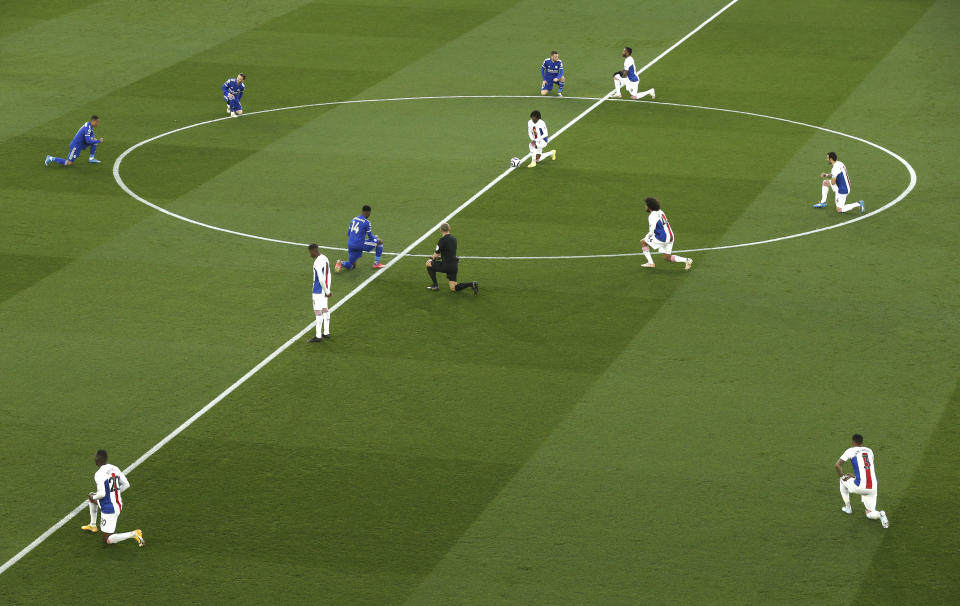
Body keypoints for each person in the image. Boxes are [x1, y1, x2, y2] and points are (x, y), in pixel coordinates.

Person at [83, 449, 144, 546]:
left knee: (107, 539)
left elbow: (102, 494)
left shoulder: (99, 474)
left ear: (99, 459)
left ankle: (133, 534)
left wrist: (95, 496)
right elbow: (126, 484)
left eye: (95, 456)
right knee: (91, 496)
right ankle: (92, 525)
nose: (94, 458)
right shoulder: (114, 468)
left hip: (109, 509)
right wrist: (115, 492)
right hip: (118, 504)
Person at [835, 434, 889, 528]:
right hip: (873, 486)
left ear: (853, 442)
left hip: (859, 486)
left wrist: (843, 477)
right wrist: (855, 477)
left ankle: (848, 508)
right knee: (870, 513)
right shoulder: (870, 451)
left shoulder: (850, 450)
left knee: (842, 480)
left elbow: (837, 465)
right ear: (862, 443)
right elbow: (866, 469)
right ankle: (881, 514)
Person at [640, 197, 692, 270]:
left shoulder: (652, 216)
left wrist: (647, 236)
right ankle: (687, 260)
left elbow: (652, 230)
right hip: (671, 237)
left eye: (646, 205)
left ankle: (651, 263)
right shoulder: (661, 212)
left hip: (662, 238)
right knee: (667, 257)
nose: (645, 206)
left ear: (649, 206)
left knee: (643, 242)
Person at [426, 223, 478, 294]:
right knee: (453, 288)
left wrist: (432, 258)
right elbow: (449, 253)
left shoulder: (442, 240)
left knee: (428, 263)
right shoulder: (454, 239)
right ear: (449, 229)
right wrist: (441, 257)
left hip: (446, 266)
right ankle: (472, 284)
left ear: (440, 230)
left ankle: (435, 285)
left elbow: (435, 255)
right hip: (454, 266)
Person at [335, 205, 385, 272]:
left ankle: (341, 262)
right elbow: (370, 236)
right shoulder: (366, 222)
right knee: (380, 241)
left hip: (350, 244)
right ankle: (376, 263)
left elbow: (348, 233)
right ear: (367, 212)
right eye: (369, 213)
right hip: (359, 244)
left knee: (352, 265)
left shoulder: (353, 219)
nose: (369, 215)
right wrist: (375, 238)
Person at [308, 244, 332, 343]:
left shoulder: (317, 262)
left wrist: (326, 291)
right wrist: (327, 290)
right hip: (324, 290)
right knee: (325, 309)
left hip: (318, 290)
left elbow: (321, 278)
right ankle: (326, 332)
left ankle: (318, 336)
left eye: (310, 252)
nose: (310, 255)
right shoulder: (325, 258)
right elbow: (329, 275)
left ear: (314, 250)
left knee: (318, 312)